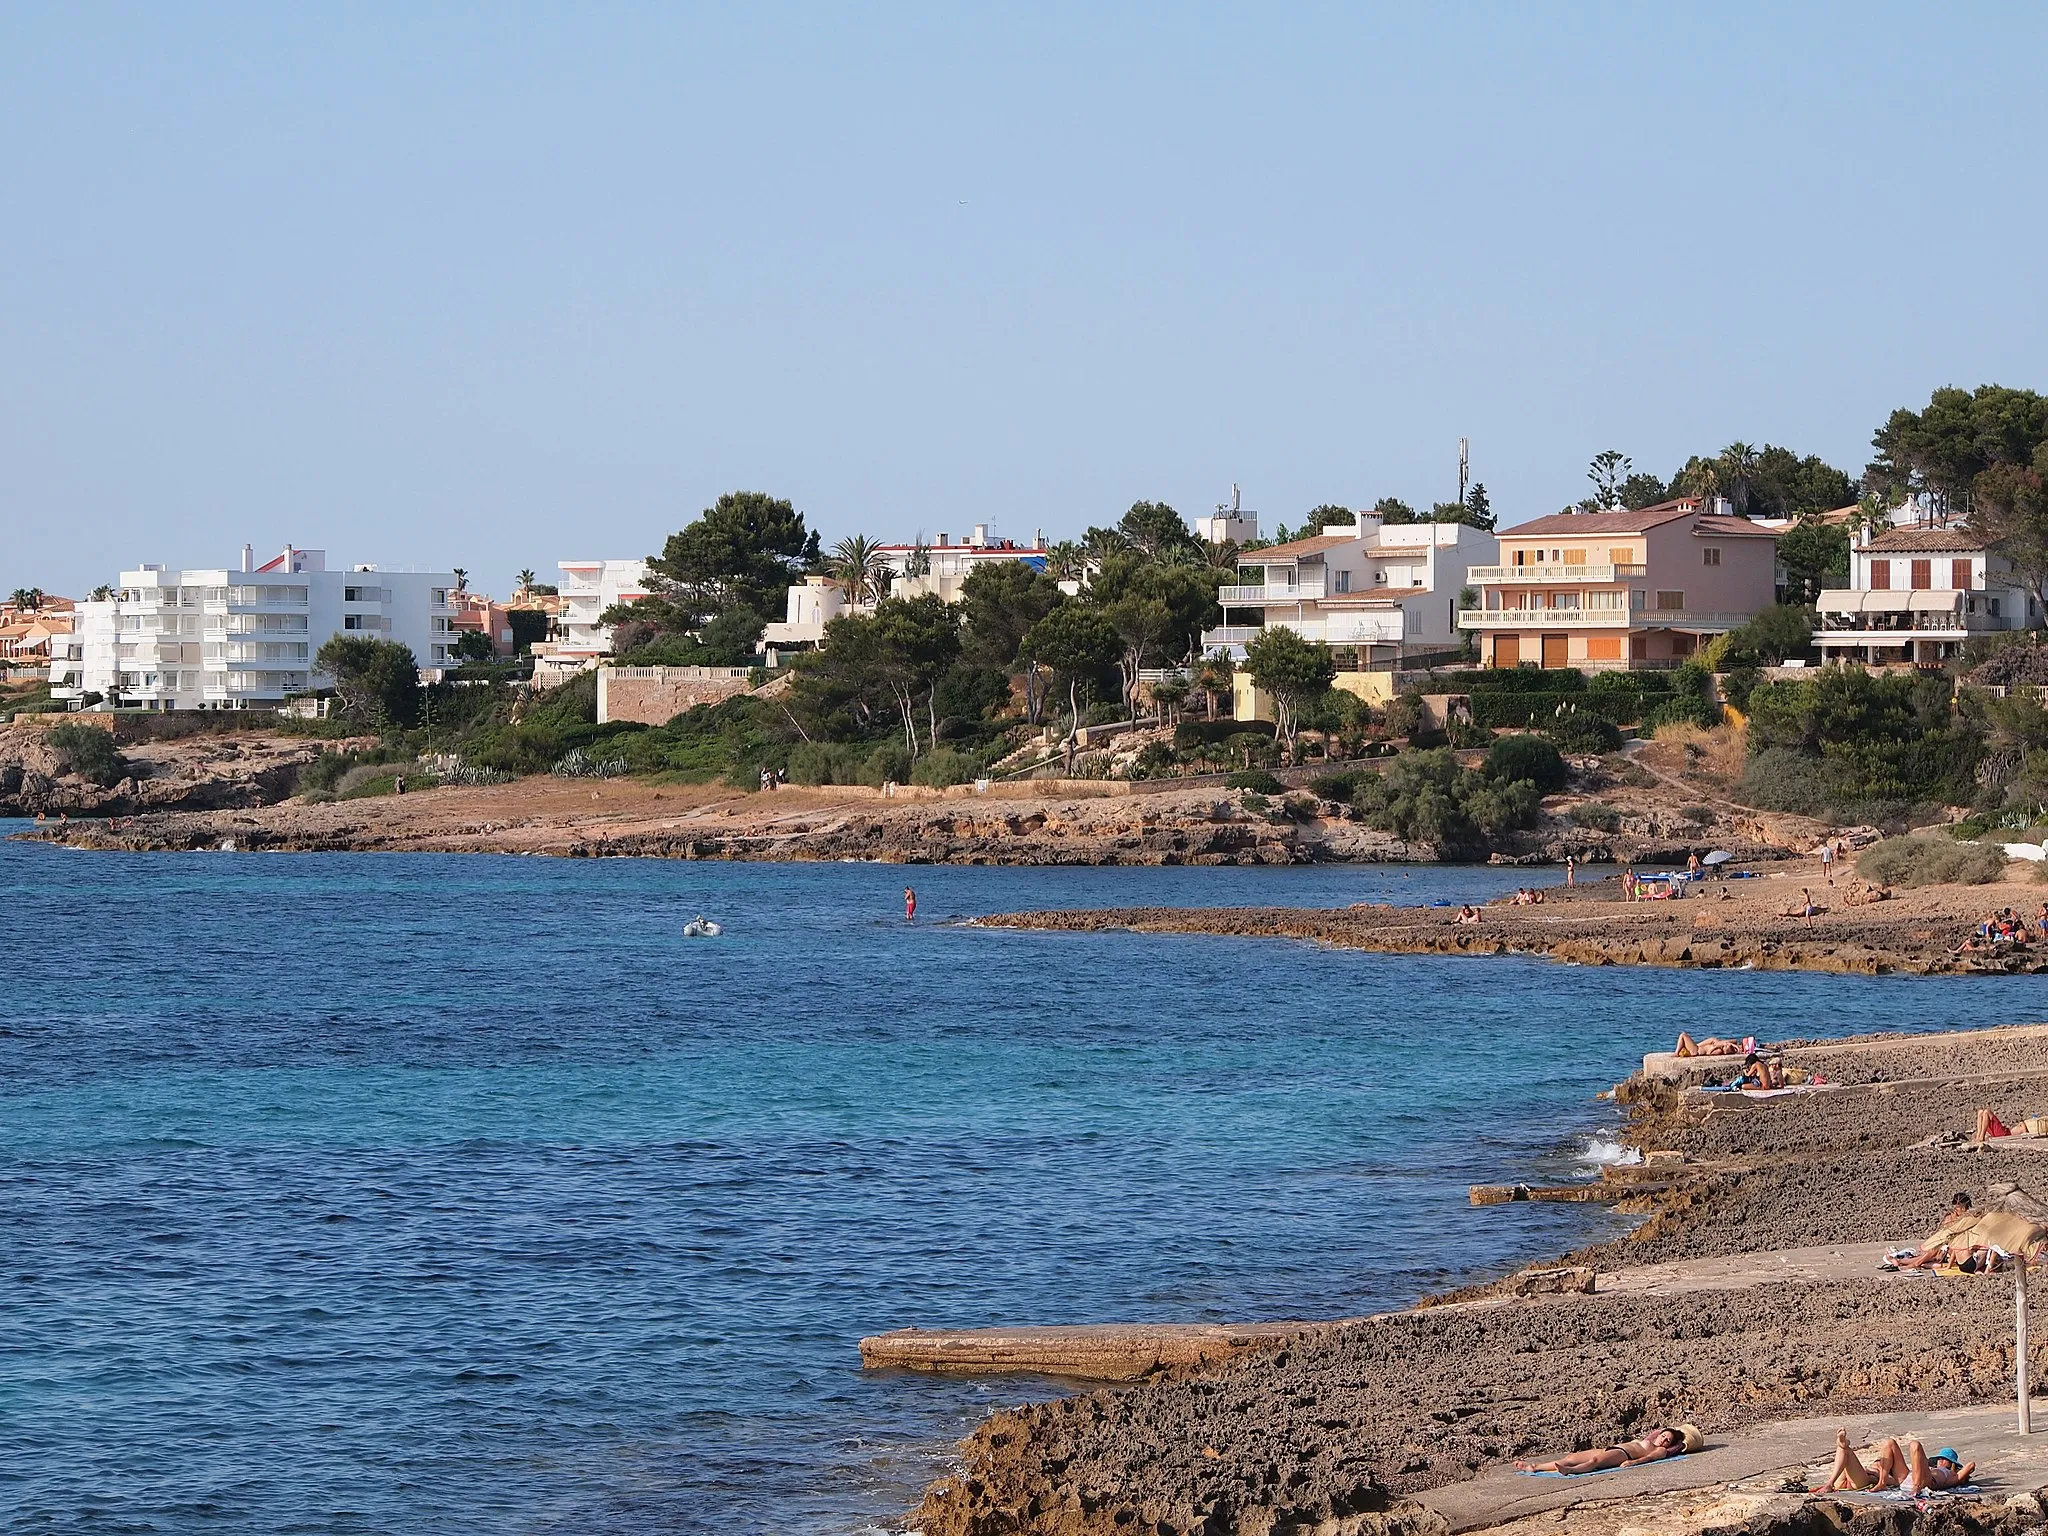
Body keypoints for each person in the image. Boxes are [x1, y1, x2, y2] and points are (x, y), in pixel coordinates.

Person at [1822, 1430, 1972, 1493]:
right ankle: (1880, 1483)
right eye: (1939, 1458)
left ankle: (1916, 1486)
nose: (1941, 1461)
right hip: (1905, 1477)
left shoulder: (1951, 1476)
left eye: (1945, 1460)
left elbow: (1971, 1465)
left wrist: (1961, 1471)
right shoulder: (1932, 1467)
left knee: (1915, 1445)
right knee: (1889, 1442)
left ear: (1952, 1464)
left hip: (1924, 1481)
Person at [1515, 1424, 1702, 1475]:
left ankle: (1570, 1471)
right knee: (1572, 1456)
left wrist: (1633, 1462)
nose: (1663, 1440)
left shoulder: (1661, 1451)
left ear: (1671, 1445)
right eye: (1663, 1436)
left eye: (1668, 1440)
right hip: (1613, 1448)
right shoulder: (1652, 1438)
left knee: (1594, 1462)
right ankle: (1535, 1467)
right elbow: (1657, 1432)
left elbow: (1650, 1459)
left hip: (1624, 1454)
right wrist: (1671, 1432)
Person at [1675, 1032, 1745, 1058]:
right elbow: (1699, 1044)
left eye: (1726, 1046)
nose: (1725, 1045)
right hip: (1696, 1049)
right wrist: (1735, 1045)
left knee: (1683, 1035)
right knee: (1713, 1039)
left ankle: (1676, 1053)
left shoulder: (1718, 1050)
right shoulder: (1714, 1041)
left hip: (1696, 1052)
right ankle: (1677, 1052)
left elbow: (1709, 1052)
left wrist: (1734, 1047)